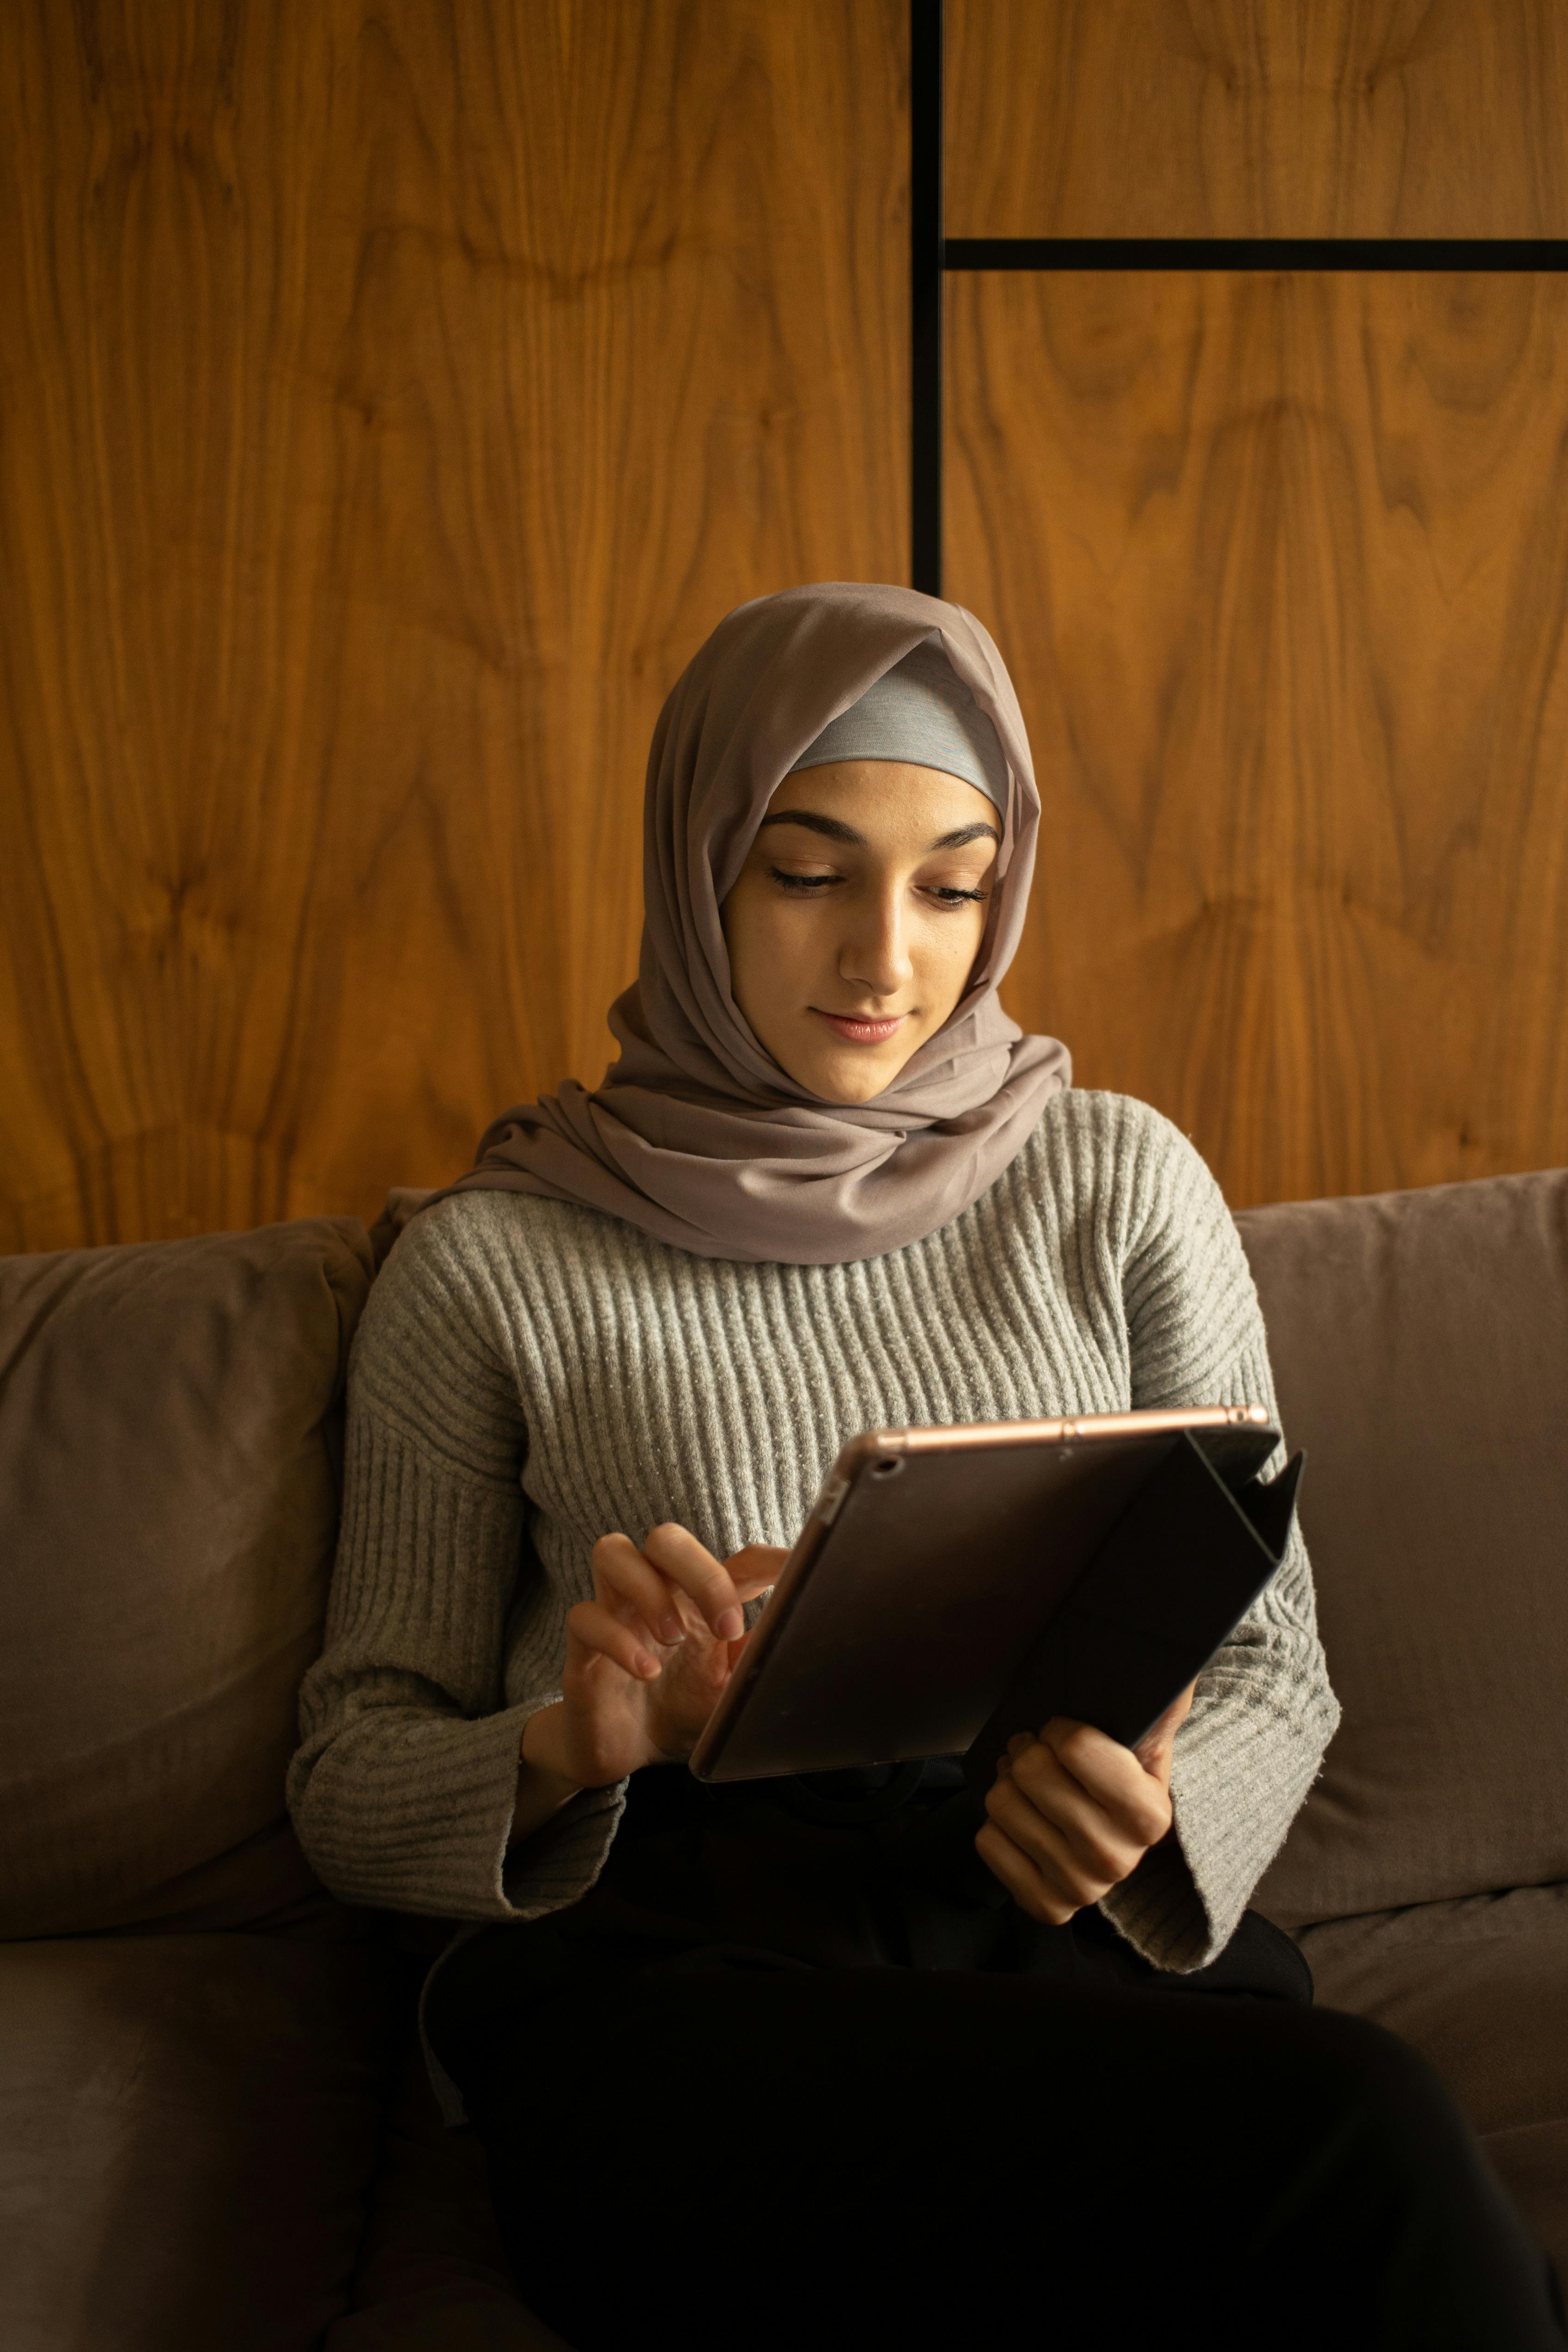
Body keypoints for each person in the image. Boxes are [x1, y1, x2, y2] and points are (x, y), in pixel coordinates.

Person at [288, 583, 1562, 2352]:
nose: (887, 955)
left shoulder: (1112, 1182)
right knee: (1357, 2135)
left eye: (951, 885)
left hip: (1043, 1923)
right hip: (682, 1976)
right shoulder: (492, 1261)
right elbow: (349, 1767)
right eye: (807, 872)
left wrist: (1149, 1818)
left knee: (1343, 2165)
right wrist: (580, 1746)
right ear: (697, 866)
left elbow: (1271, 1656)